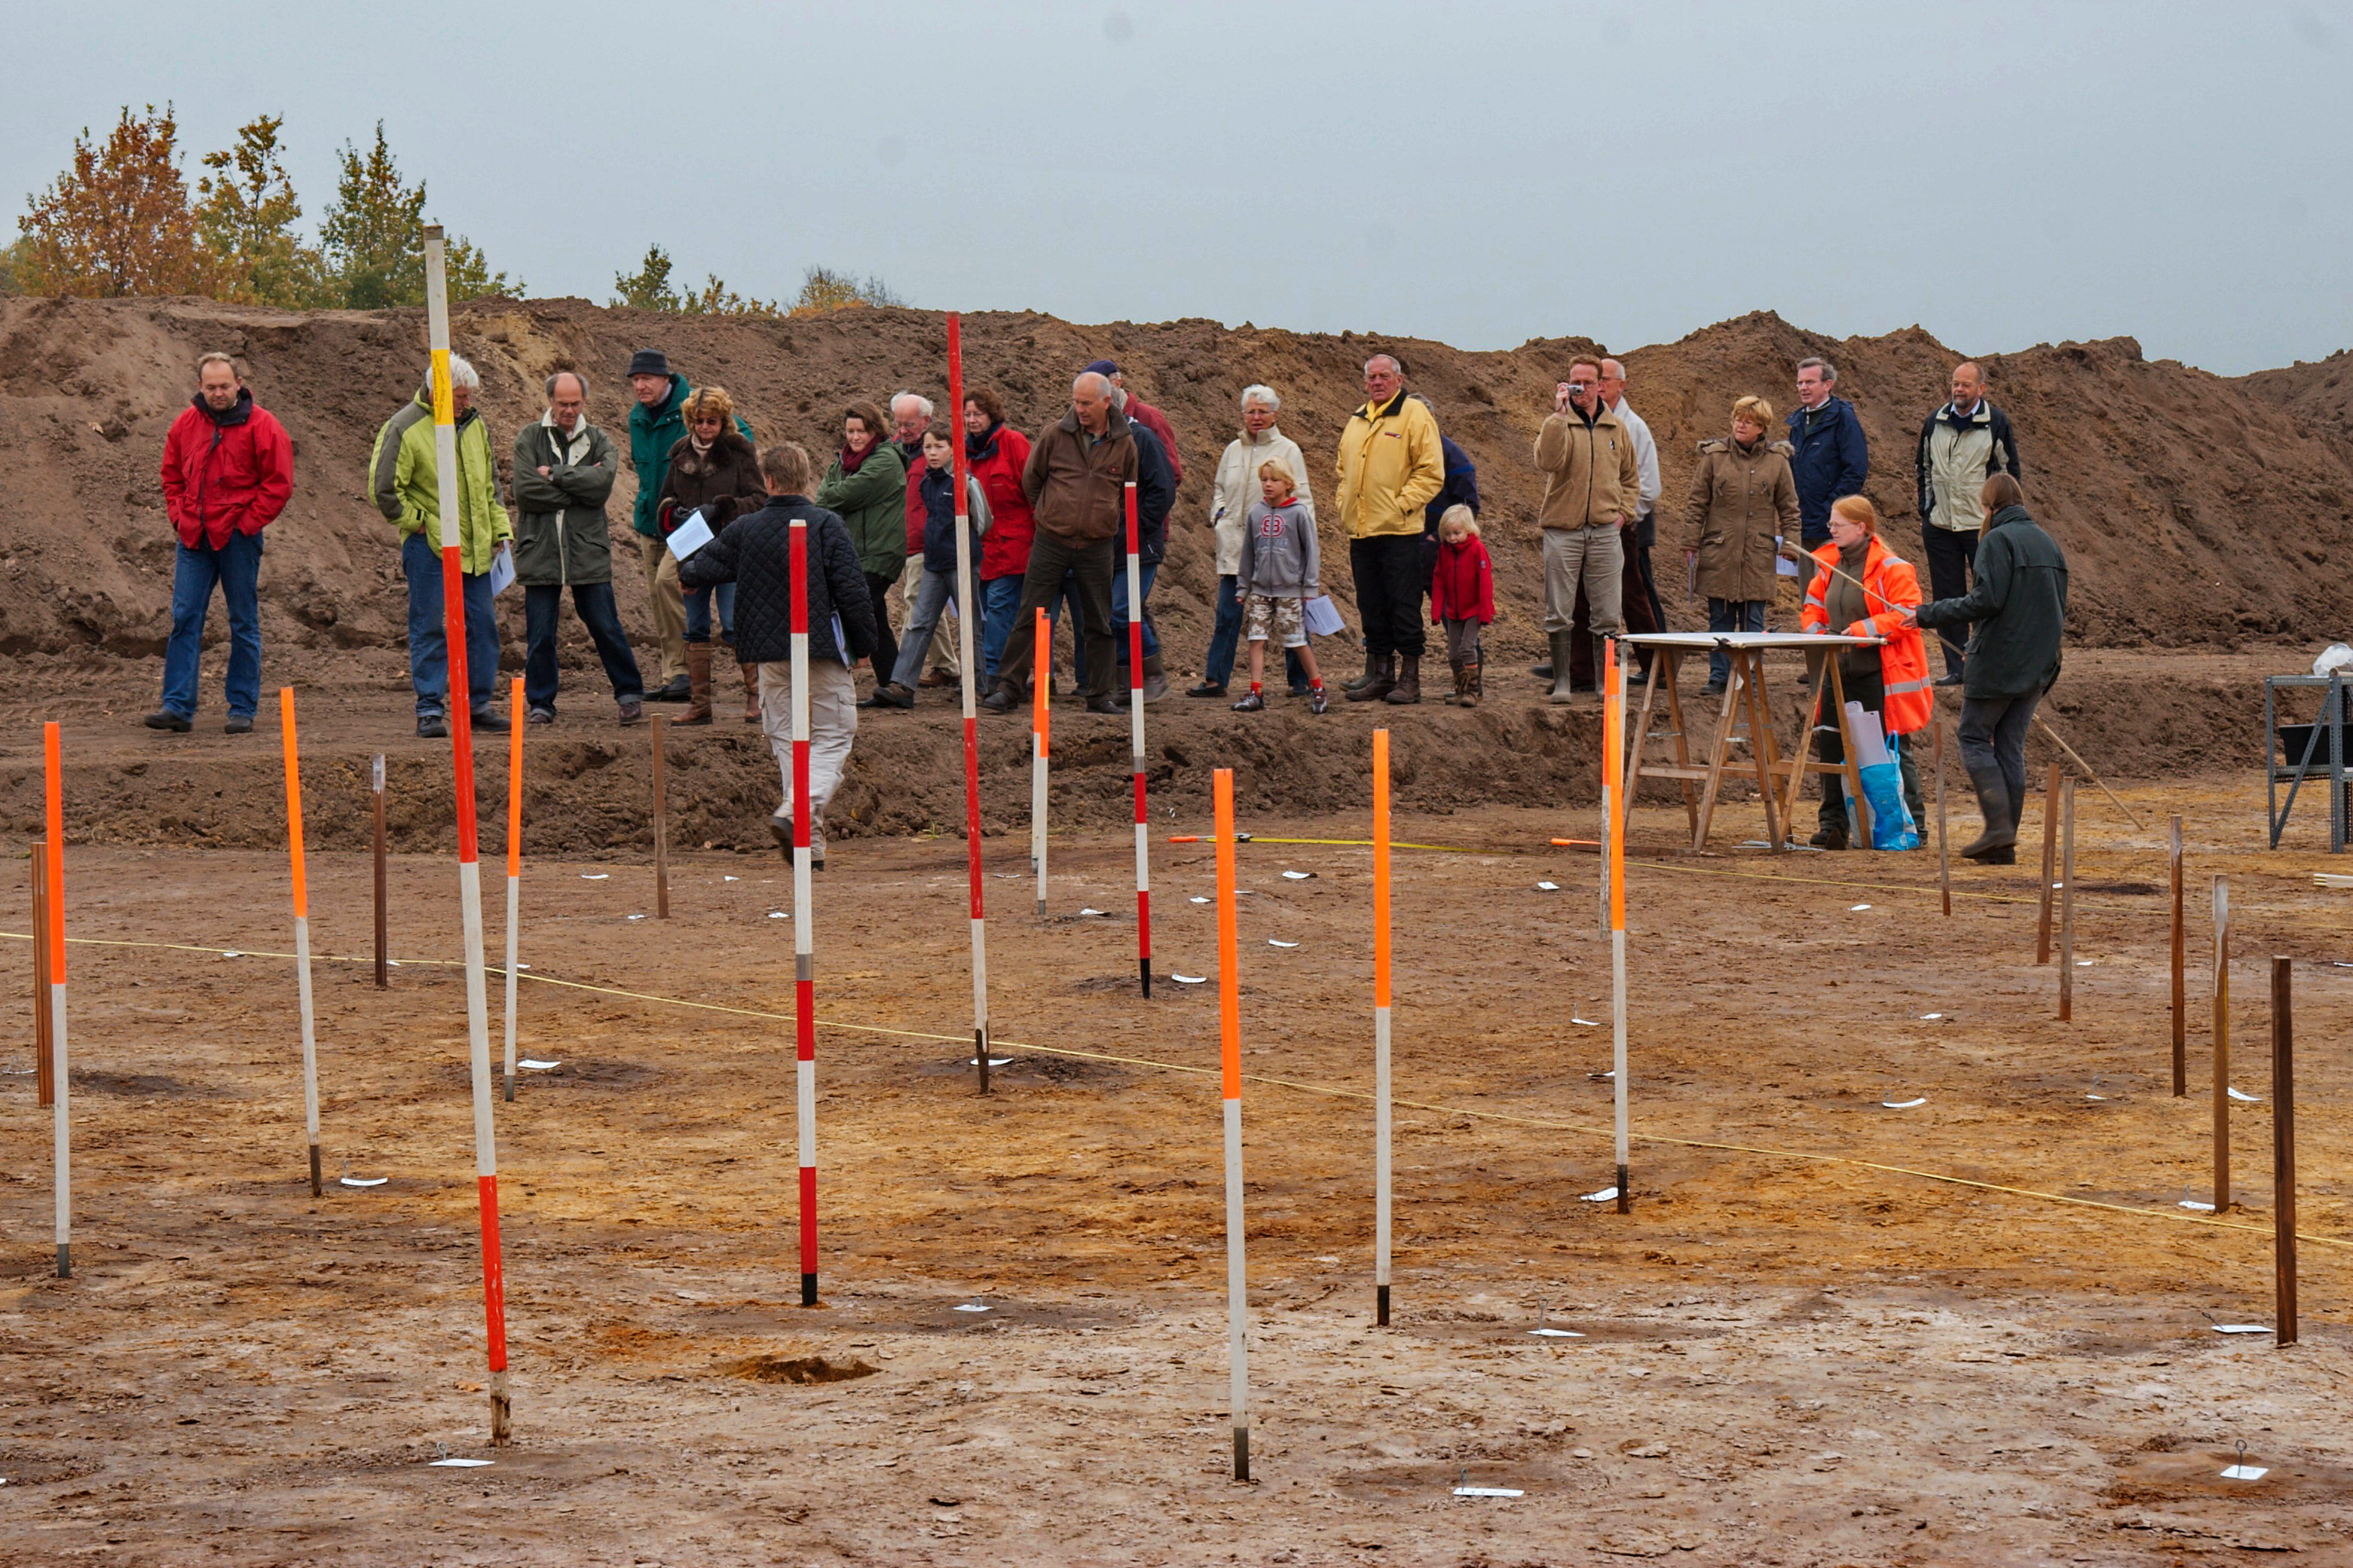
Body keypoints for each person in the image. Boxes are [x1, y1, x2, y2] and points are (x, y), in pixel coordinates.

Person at [677, 442, 877, 870]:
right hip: (822, 651)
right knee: (834, 736)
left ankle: (809, 846)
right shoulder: (826, 524)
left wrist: (690, 577)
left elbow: (699, 566)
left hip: (768, 655)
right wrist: (863, 647)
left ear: (767, 481)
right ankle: (796, 815)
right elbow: (853, 591)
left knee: (789, 744)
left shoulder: (747, 529)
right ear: (805, 479)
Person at [1905, 474, 2069, 865]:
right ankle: (2002, 846)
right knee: (2009, 746)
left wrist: (1926, 614)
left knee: (1975, 739)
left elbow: (1986, 600)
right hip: (2039, 663)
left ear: (1988, 506)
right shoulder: (2048, 542)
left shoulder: (1997, 539)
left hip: (2002, 662)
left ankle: (1998, 830)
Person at [148, 352, 292, 734]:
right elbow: (171, 475)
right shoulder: (185, 424)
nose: (218, 392)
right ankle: (177, 706)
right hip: (194, 538)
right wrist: (179, 516)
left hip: (237, 538)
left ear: (239, 384)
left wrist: (247, 524)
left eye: (225, 385)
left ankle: (241, 707)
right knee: (185, 618)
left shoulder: (264, 426)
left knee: (243, 622)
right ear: (200, 386)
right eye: (210, 386)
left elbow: (279, 483)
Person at [370, 354, 509, 738]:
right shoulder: (404, 427)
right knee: (430, 626)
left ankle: (477, 704)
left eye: (468, 395)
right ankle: (430, 708)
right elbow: (384, 489)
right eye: (461, 395)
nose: (467, 402)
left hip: (477, 547)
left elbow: (490, 484)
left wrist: (499, 528)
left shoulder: (475, 425)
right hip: (429, 547)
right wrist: (419, 523)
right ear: (437, 391)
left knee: (482, 627)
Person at [981, 371, 1136, 716]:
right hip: (1051, 541)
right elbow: (1031, 480)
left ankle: (1099, 694)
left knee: (1099, 620)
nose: (1079, 409)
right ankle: (1009, 687)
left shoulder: (1125, 444)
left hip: (1097, 546)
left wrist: (1102, 519)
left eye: (1086, 403)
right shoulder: (1055, 435)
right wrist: (1048, 515)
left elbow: (1128, 491)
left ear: (1106, 402)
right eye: (1076, 402)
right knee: (1031, 613)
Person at [511, 371, 643, 726]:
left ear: (584, 401)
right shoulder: (528, 437)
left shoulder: (600, 440)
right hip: (540, 549)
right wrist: (579, 487)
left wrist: (554, 474)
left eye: (575, 403)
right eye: (562, 404)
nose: (569, 410)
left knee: (605, 624)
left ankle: (629, 694)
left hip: (587, 550)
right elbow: (524, 492)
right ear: (550, 401)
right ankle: (541, 703)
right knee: (540, 633)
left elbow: (602, 488)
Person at [1799, 496, 1932, 848]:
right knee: (1830, 744)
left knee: (1889, 749)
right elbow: (1812, 608)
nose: (1831, 529)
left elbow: (1907, 614)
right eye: (1831, 523)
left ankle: (1912, 825)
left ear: (1861, 527)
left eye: (1838, 524)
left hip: (1878, 671)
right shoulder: (1827, 564)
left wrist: (1861, 631)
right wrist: (1819, 635)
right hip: (1837, 671)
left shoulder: (1892, 568)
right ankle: (1833, 826)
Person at [1333, 353, 1444, 704]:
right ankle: (1382, 675)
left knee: (1403, 605)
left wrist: (1401, 505)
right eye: (1371, 377)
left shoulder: (1415, 415)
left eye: (1384, 376)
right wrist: (1344, 505)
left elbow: (1430, 471)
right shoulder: (1357, 420)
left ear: (1399, 379)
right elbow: (1341, 471)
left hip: (1400, 532)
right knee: (1371, 606)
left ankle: (1410, 679)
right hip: (1362, 531)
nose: (1377, 382)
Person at [1533, 358, 1642, 705]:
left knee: (1608, 612)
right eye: (1574, 382)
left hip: (1605, 531)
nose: (1580, 389)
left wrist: (1622, 514)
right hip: (1562, 530)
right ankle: (1563, 681)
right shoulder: (1558, 423)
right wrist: (1558, 417)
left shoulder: (1617, 429)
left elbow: (1630, 479)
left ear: (1599, 386)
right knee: (1559, 610)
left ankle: (1602, 682)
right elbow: (1547, 462)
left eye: (1587, 382)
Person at [655, 387, 764, 724]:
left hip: (731, 550)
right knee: (697, 628)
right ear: (691, 421)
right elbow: (666, 501)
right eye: (699, 421)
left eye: (712, 421)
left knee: (734, 625)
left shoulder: (739, 452)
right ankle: (700, 705)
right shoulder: (679, 454)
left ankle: (756, 698)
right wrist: (675, 514)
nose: (705, 427)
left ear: (723, 421)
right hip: (693, 553)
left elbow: (760, 499)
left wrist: (722, 508)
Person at [1195, 385, 1312, 698]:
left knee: (1290, 616)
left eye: (1262, 411)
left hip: (1279, 551)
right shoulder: (1233, 450)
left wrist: (1302, 545)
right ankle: (1215, 680)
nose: (1256, 417)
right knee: (1227, 615)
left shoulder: (1289, 451)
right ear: (1243, 414)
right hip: (1236, 548)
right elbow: (1219, 488)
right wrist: (1219, 514)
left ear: (1275, 414)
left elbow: (1303, 501)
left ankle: (1299, 682)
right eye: (1251, 411)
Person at [1681, 396, 1800, 695]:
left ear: (1762, 427)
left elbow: (1789, 508)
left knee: (1752, 620)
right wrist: (1690, 543)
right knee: (1719, 618)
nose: (1740, 425)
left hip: (1757, 554)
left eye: (1747, 421)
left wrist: (1791, 544)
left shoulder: (1777, 462)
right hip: (1720, 550)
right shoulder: (1714, 457)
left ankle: (1749, 676)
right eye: (1737, 419)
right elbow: (1697, 504)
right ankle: (1719, 676)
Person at [1914, 361, 2022, 686]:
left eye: (1966, 385)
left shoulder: (1996, 423)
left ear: (1981, 389)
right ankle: (1957, 667)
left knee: (1989, 595)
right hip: (1941, 525)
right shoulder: (1936, 421)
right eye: (1955, 384)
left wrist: (1998, 520)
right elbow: (1923, 467)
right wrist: (1927, 509)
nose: (1959, 390)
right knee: (1948, 598)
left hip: (1982, 528)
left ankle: (1990, 663)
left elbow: (2008, 474)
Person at [1561, 357, 1665, 690]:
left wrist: (1623, 516)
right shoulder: (1573, 421)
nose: (1597, 386)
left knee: (1632, 597)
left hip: (1618, 527)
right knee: (1578, 599)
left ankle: (1657, 667)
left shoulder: (1631, 427)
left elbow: (1645, 482)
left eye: (1603, 380)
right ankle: (1581, 673)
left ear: (1621, 384)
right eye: (1594, 380)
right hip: (1580, 524)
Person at [871, 422, 992, 707]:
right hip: (934, 563)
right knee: (919, 622)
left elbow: (984, 521)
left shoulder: (965, 482)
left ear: (953, 449)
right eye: (928, 447)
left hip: (962, 563)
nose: (933, 453)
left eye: (940, 446)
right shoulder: (927, 482)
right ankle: (902, 684)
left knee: (969, 624)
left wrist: (965, 550)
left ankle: (975, 686)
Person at [813, 401, 910, 707]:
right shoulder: (844, 460)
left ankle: (837, 677)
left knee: (855, 606)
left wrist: (835, 492)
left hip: (881, 550)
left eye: (861, 431)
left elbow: (841, 494)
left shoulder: (886, 461)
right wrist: (835, 493)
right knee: (876, 617)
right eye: (850, 431)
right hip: (859, 550)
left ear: (874, 431)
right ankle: (895, 686)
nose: (855, 437)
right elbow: (824, 496)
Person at [624, 349, 693, 701]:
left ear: (665, 379)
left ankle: (687, 672)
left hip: (684, 522)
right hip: (651, 520)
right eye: (636, 380)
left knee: (670, 585)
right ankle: (674, 676)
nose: (640, 386)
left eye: (646, 379)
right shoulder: (638, 416)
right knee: (657, 598)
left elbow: (741, 438)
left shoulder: (692, 410)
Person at [1231, 460, 1325, 714]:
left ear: (1288, 483)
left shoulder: (1299, 513)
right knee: (1256, 639)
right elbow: (1248, 554)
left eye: (1274, 480)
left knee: (1296, 640)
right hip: (1260, 591)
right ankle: (1256, 692)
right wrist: (1243, 587)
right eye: (1264, 479)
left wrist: (1309, 588)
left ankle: (1317, 688)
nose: (1268, 484)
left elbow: (1311, 552)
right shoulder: (1256, 514)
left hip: (1290, 591)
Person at [1106, 384, 1177, 701]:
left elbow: (1164, 489)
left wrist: (1137, 528)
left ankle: (1152, 674)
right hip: (1107, 543)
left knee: (1124, 609)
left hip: (1141, 544)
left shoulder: (1144, 438)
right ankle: (1126, 679)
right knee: (1115, 612)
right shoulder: (1097, 442)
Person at [963, 387, 1036, 686]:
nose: (971, 420)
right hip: (981, 549)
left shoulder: (1014, 443)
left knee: (1000, 611)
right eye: (967, 414)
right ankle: (987, 674)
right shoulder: (964, 452)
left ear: (992, 415)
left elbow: (1034, 491)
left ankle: (996, 675)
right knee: (982, 614)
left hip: (1014, 547)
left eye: (977, 414)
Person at [889, 391, 959, 687]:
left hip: (926, 543)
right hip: (907, 541)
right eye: (899, 423)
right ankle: (948, 666)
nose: (903, 430)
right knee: (925, 607)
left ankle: (902, 676)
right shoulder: (894, 450)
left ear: (926, 421)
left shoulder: (938, 459)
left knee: (916, 606)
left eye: (910, 424)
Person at [1786, 356, 1868, 551]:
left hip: (1831, 528)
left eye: (1810, 382)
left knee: (1831, 580)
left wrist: (1830, 510)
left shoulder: (1843, 419)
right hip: (1803, 524)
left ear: (1827, 385)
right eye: (1800, 383)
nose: (1803, 388)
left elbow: (1855, 470)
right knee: (1809, 582)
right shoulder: (1798, 422)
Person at [1429, 504, 1494, 708]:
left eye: (1457, 533)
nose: (1452, 538)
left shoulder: (1477, 549)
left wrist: (1485, 611)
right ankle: (1461, 688)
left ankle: (1474, 690)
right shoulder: (1445, 551)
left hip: (1474, 610)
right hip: (1454, 610)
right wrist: (1436, 610)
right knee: (1453, 654)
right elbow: (1439, 581)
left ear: (1469, 529)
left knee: (1467, 647)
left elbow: (1485, 583)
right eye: (1448, 534)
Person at [1083, 359, 1182, 486]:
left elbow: (1172, 475)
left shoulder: (1150, 418)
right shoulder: (1087, 423)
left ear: (1118, 383)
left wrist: (1139, 504)